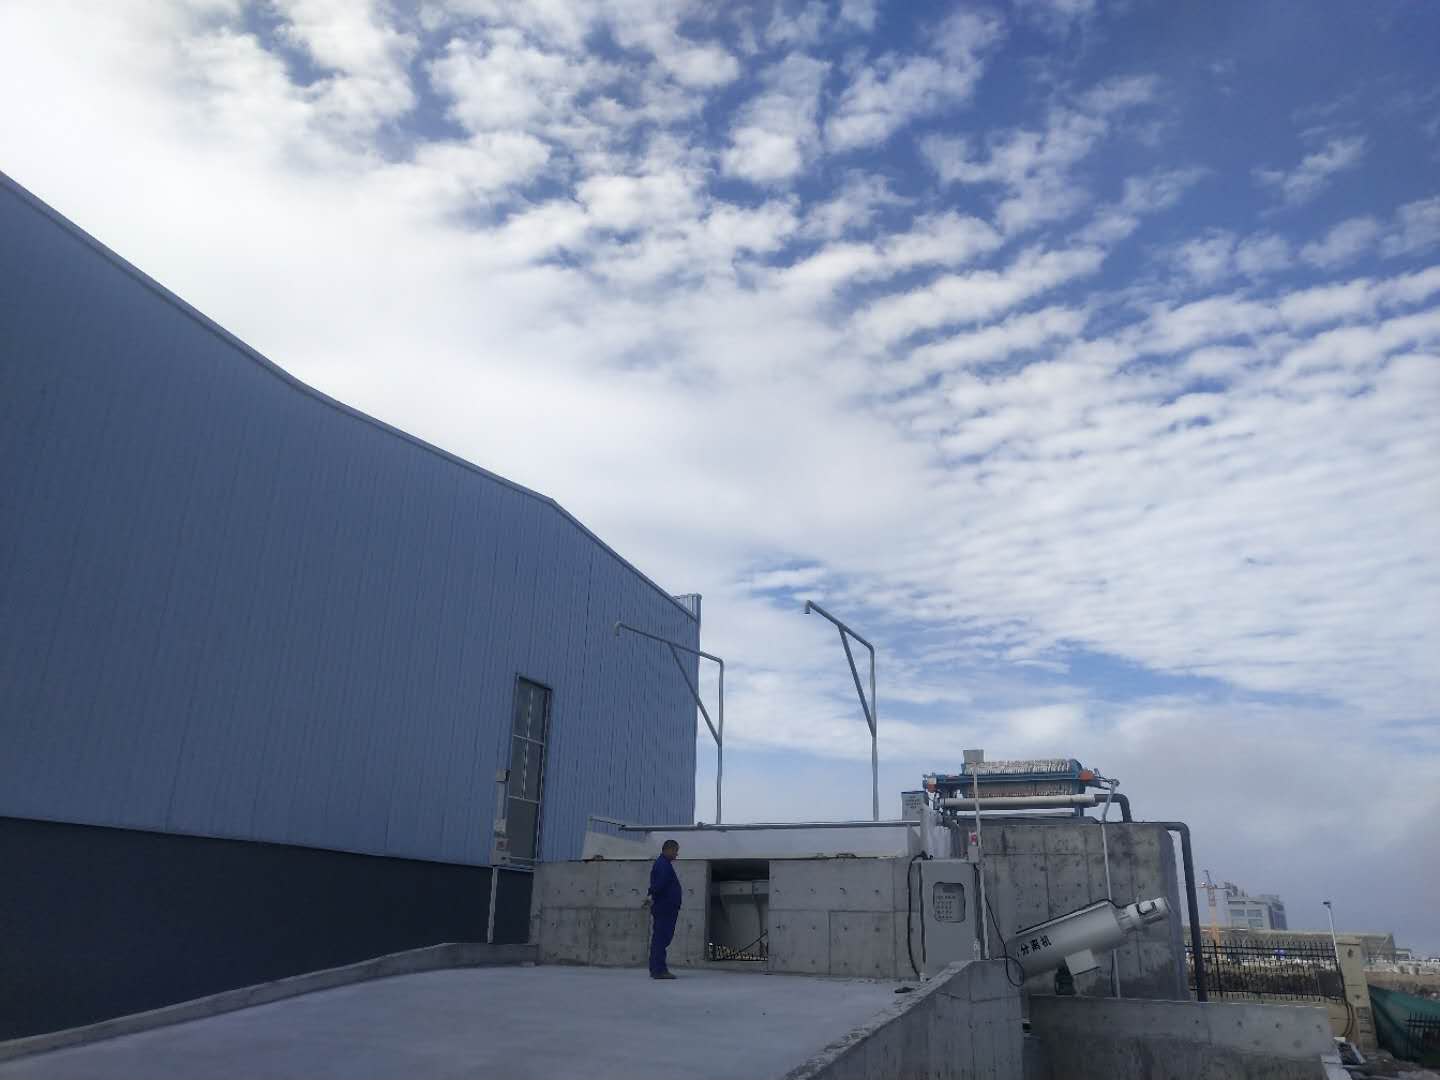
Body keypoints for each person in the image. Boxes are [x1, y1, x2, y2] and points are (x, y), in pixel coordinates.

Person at [645, 839, 682, 979]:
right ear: (668, 850)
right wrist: (651, 894)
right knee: (661, 938)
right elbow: (659, 885)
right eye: (675, 850)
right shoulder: (663, 865)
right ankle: (659, 970)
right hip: (665, 908)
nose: (677, 854)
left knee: (661, 938)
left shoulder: (663, 864)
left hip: (665, 907)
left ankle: (656, 968)